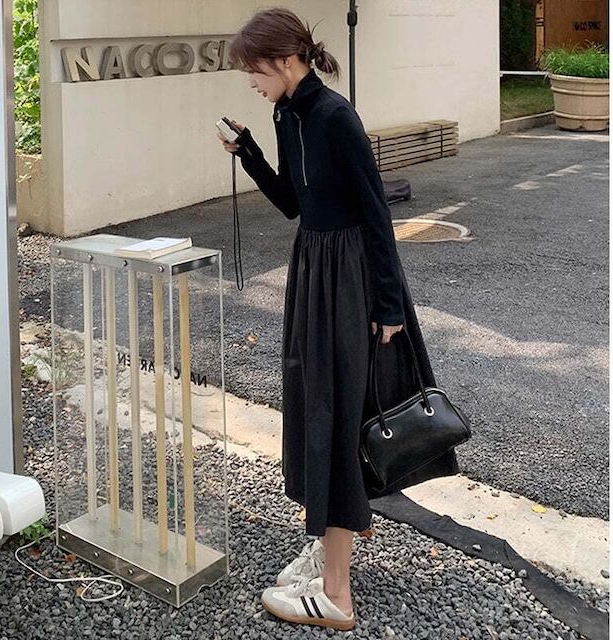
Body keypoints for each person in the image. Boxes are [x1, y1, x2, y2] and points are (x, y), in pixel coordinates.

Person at [217, 7, 408, 632]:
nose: (250, 81)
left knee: (336, 413)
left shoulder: (335, 117)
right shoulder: (287, 114)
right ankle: (329, 551)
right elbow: (294, 204)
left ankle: (336, 595)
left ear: (286, 60)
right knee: (312, 404)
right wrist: (249, 152)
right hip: (312, 268)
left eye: (254, 70)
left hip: (348, 278)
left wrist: (388, 304)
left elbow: (376, 213)